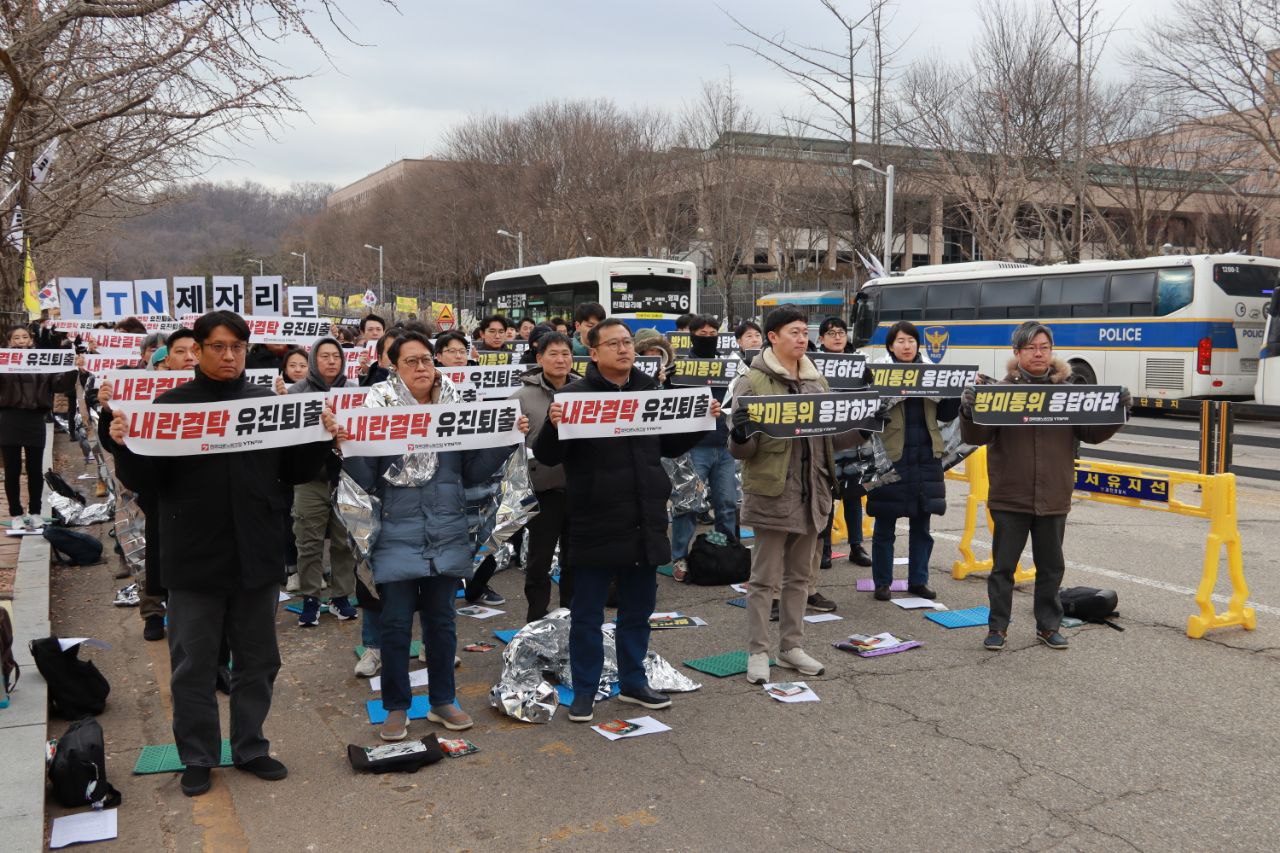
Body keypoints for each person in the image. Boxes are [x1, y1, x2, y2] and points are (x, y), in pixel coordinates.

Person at [104, 311, 338, 797]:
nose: (228, 355)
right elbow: (146, 482)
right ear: (197, 350)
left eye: (237, 346)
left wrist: (321, 435)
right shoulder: (169, 407)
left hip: (256, 551)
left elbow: (293, 470)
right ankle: (198, 756)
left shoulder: (266, 403)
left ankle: (250, 746)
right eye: (217, 346)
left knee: (258, 660)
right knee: (194, 664)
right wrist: (122, 442)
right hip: (193, 556)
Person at [340, 332, 526, 740]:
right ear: (394, 368)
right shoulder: (376, 411)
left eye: (427, 359)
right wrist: (347, 447)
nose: (422, 368)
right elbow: (367, 480)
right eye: (411, 362)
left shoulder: (458, 407)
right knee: (394, 625)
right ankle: (396, 707)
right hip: (394, 534)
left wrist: (504, 437)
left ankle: (443, 700)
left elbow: (475, 473)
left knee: (443, 624)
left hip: (447, 532)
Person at [535, 318, 718, 723]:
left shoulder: (650, 391)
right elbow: (547, 456)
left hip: (644, 518)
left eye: (628, 343)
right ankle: (584, 689)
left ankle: (634, 681)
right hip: (593, 520)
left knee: (638, 610)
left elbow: (668, 445)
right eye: (614, 344)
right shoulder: (574, 396)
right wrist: (552, 425)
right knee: (587, 615)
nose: (624, 349)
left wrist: (701, 421)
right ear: (594, 352)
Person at [960, 321, 1129, 651]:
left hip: (1054, 495)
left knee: (1051, 568)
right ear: (1017, 353)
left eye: (1045, 347)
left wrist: (1117, 410)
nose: (1039, 353)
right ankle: (998, 627)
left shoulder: (1069, 392)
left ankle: (1049, 626)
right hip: (1010, 495)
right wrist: (968, 410)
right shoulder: (1001, 393)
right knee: (1003, 568)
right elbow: (975, 437)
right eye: (1031, 348)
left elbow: (1091, 434)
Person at [728, 306, 863, 686]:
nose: (802, 338)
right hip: (772, 493)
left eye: (805, 332)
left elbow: (831, 438)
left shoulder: (815, 381)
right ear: (773, 337)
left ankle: (791, 646)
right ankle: (758, 651)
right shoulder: (751, 382)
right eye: (794, 332)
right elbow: (742, 450)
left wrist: (864, 428)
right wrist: (740, 435)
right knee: (763, 580)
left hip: (812, 492)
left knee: (801, 578)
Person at [864, 321, 960, 600]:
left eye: (911, 341)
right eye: (900, 341)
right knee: (884, 524)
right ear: (890, 346)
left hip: (925, 458)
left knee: (922, 525)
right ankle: (882, 582)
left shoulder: (932, 374)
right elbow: (866, 415)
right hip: (888, 458)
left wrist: (954, 393)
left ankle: (919, 580)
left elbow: (945, 415)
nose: (907, 346)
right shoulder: (875, 375)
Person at [288, 337, 359, 626]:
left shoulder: (354, 393)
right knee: (308, 541)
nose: (331, 361)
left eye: (336, 357)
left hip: (345, 479)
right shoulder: (298, 392)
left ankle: (341, 597)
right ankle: (311, 597)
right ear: (314, 359)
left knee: (343, 543)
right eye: (324, 356)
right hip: (310, 480)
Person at [510, 331, 575, 622]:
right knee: (539, 560)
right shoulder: (521, 396)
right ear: (539, 359)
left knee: (576, 558)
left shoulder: (584, 391)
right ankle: (536, 617)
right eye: (554, 354)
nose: (561, 360)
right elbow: (507, 442)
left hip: (579, 488)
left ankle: (572, 614)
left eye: (566, 354)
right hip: (542, 489)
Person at [667, 315, 738, 580]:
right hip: (693, 446)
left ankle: (727, 550)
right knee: (688, 504)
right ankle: (679, 557)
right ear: (692, 336)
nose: (708, 337)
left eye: (712, 333)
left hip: (725, 444)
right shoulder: (682, 367)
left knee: (727, 502)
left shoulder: (730, 366)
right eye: (702, 333)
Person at [0, 325, 76, 528]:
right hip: (9, 418)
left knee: (35, 469)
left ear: (31, 340)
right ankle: (15, 514)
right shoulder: (3, 362)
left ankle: (34, 511)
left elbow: (60, 384)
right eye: (16, 337)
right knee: (12, 470)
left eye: (24, 337)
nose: (21, 341)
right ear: (9, 341)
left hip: (35, 420)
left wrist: (73, 368)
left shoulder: (42, 362)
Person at [816, 317, 872, 569]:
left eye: (841, 332)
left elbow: (873, 395)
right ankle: (824, 547)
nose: (837, 337)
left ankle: (856, 546)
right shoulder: (812, 363)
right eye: (831, 333)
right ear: (821, 339)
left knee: (853, 494)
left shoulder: (860, 361)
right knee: (826, 496)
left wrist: (869, 380)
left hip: (855, 439)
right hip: (826, 438)